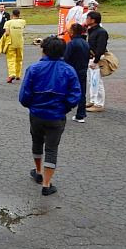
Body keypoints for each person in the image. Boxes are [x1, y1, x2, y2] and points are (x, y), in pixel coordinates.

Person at [19, 35, 81, 196]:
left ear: (44, 50)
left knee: (37, 142)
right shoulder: (69, 70)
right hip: (57, 116)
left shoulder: (33, 69)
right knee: (52, 149)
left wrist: (32, 106)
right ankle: (46, 184)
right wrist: (64, 108)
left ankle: (38, 171)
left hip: (37, 114)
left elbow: (24, 96)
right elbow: (75, 95)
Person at [64, 23, 90, 123]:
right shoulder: (85, 43)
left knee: (65, 91)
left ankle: (62, 111)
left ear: (72, 31)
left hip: (72, 70)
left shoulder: (71, 43)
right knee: (82, 92)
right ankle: (81, 114)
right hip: (83, 69)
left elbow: (66, 58)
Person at [86, 11, 108, 113]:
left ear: (93, 20)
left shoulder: (101, 32)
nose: (86, 20)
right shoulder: (91, 30)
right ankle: (93, 100)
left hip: (96, 59)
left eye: (88, 18)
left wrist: (96, 61)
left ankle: (99, 104)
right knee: (91, 81)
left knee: (97, 82)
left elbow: (100, 48)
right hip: (90, 58)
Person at [3, 9, 26, 83]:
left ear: (12, 14)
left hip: (11, 43)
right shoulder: (23, 21)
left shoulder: (8, 22)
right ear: (19, 14)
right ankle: (18, 75)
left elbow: (7, 33)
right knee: (19, 59)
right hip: (20, 43)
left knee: (11, 59)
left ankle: (12, 74)